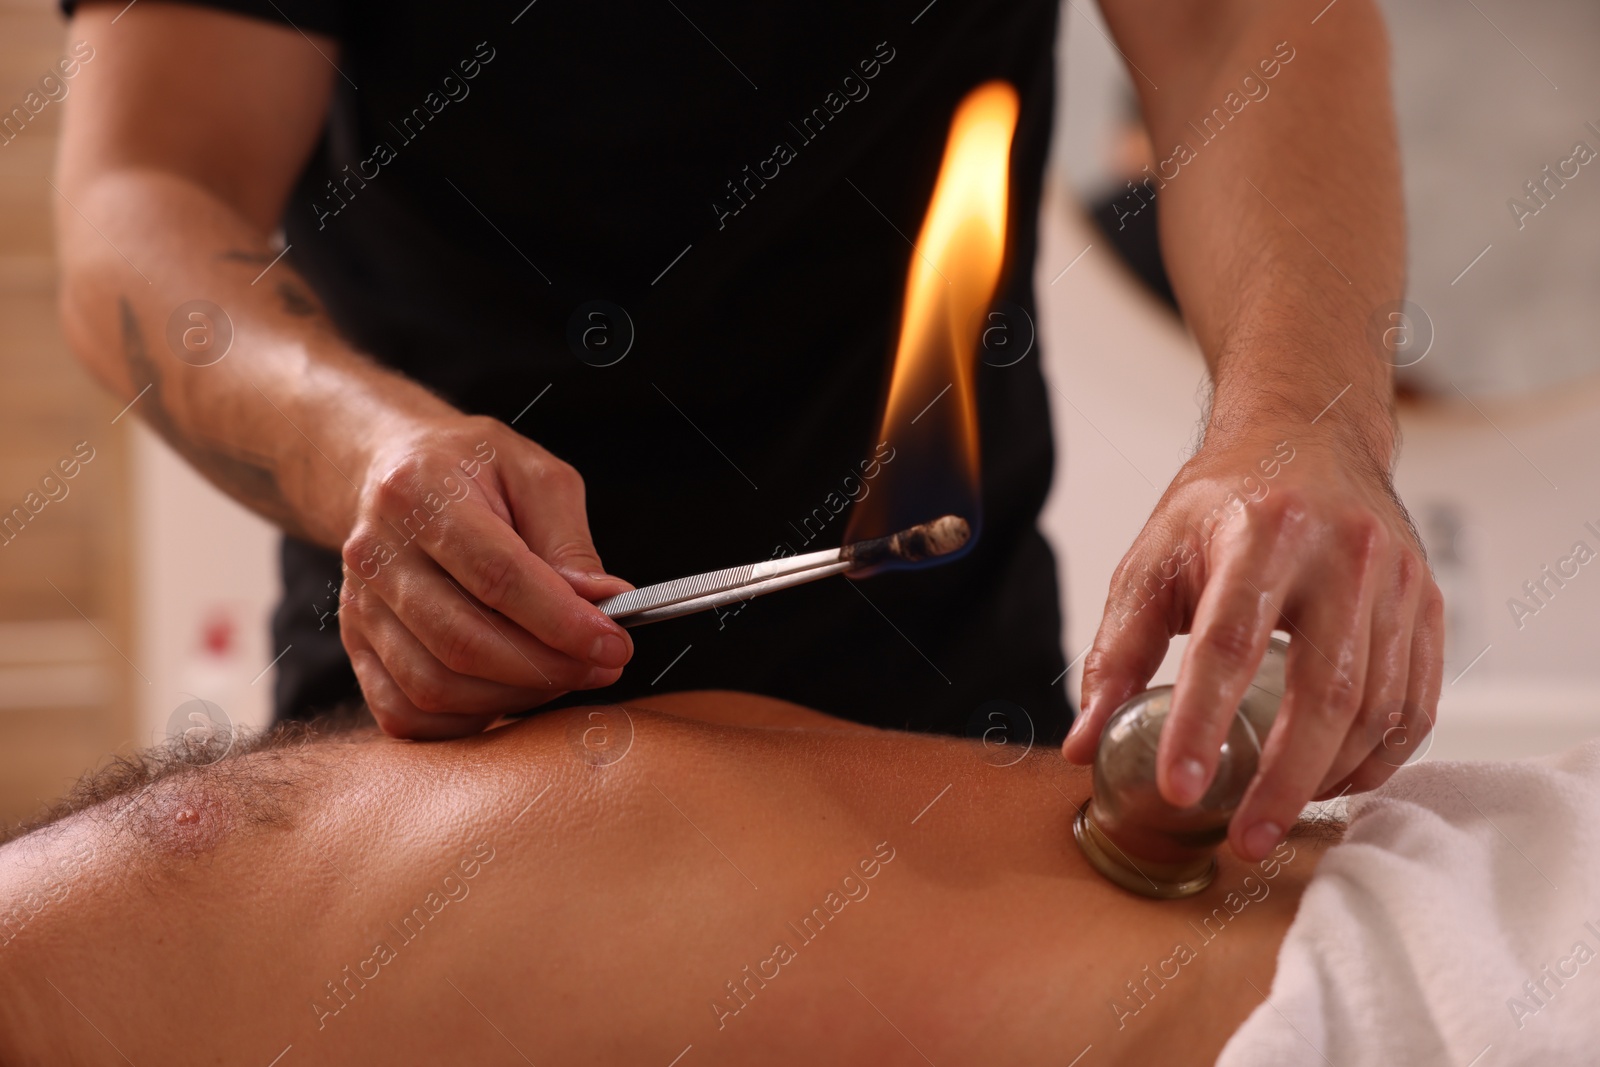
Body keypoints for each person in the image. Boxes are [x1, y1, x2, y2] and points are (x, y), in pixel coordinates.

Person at [53, 0, 1441, 864]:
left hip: (947, 743)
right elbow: (146, 190)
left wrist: (1296, 421)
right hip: (432, 753)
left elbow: (1245, 26)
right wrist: (370, 457)